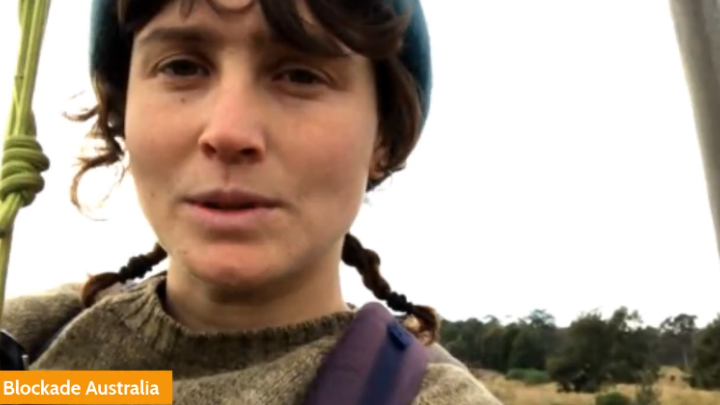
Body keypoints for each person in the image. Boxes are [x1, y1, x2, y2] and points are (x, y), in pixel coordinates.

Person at [2, 0, 503, 404]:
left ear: (385, 139)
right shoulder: (31, 344)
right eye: (182, 66)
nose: (228, 131)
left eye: (301, 75)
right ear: (121, 112)